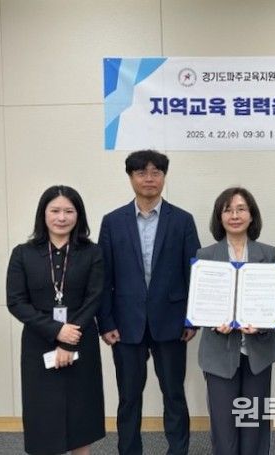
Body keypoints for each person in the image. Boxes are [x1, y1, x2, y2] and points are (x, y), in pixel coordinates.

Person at [97, 150, 200, 455]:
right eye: (141, 173)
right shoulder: (113, 221)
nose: (149, 179)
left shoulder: (182, 220)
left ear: (164, 177)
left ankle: (178, 451)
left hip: (171, 322)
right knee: (129, 397)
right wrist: (106, 322)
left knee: (174, 394)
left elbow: (193, 272)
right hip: (125, 324)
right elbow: (103, 277)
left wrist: (192, 318)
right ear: (131, 177)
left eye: (156, 172)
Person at [6, 185, 105, 455]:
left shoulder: (92, 252)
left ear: (78, 215)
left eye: (69, 211)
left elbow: (94, 298)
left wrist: (69, 340)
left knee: (81, 413)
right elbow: (16, 301)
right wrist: (57, 331)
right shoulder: (23, 253)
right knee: (42, 414)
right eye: (55, 211)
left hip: (81, 340)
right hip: (39, 342)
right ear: (44, 214)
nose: (62, 217)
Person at [196, 187, 275, 455]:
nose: (235, 215)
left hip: (259, 351)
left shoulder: (268, 253)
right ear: (219, 217)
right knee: (224, 427)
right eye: (228, 210)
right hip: (218, 352)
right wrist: (212, 321)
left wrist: (262, 323)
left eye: (241, 209)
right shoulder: (205, 255)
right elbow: (200, 301)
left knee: (253, 423)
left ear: (252, 215)